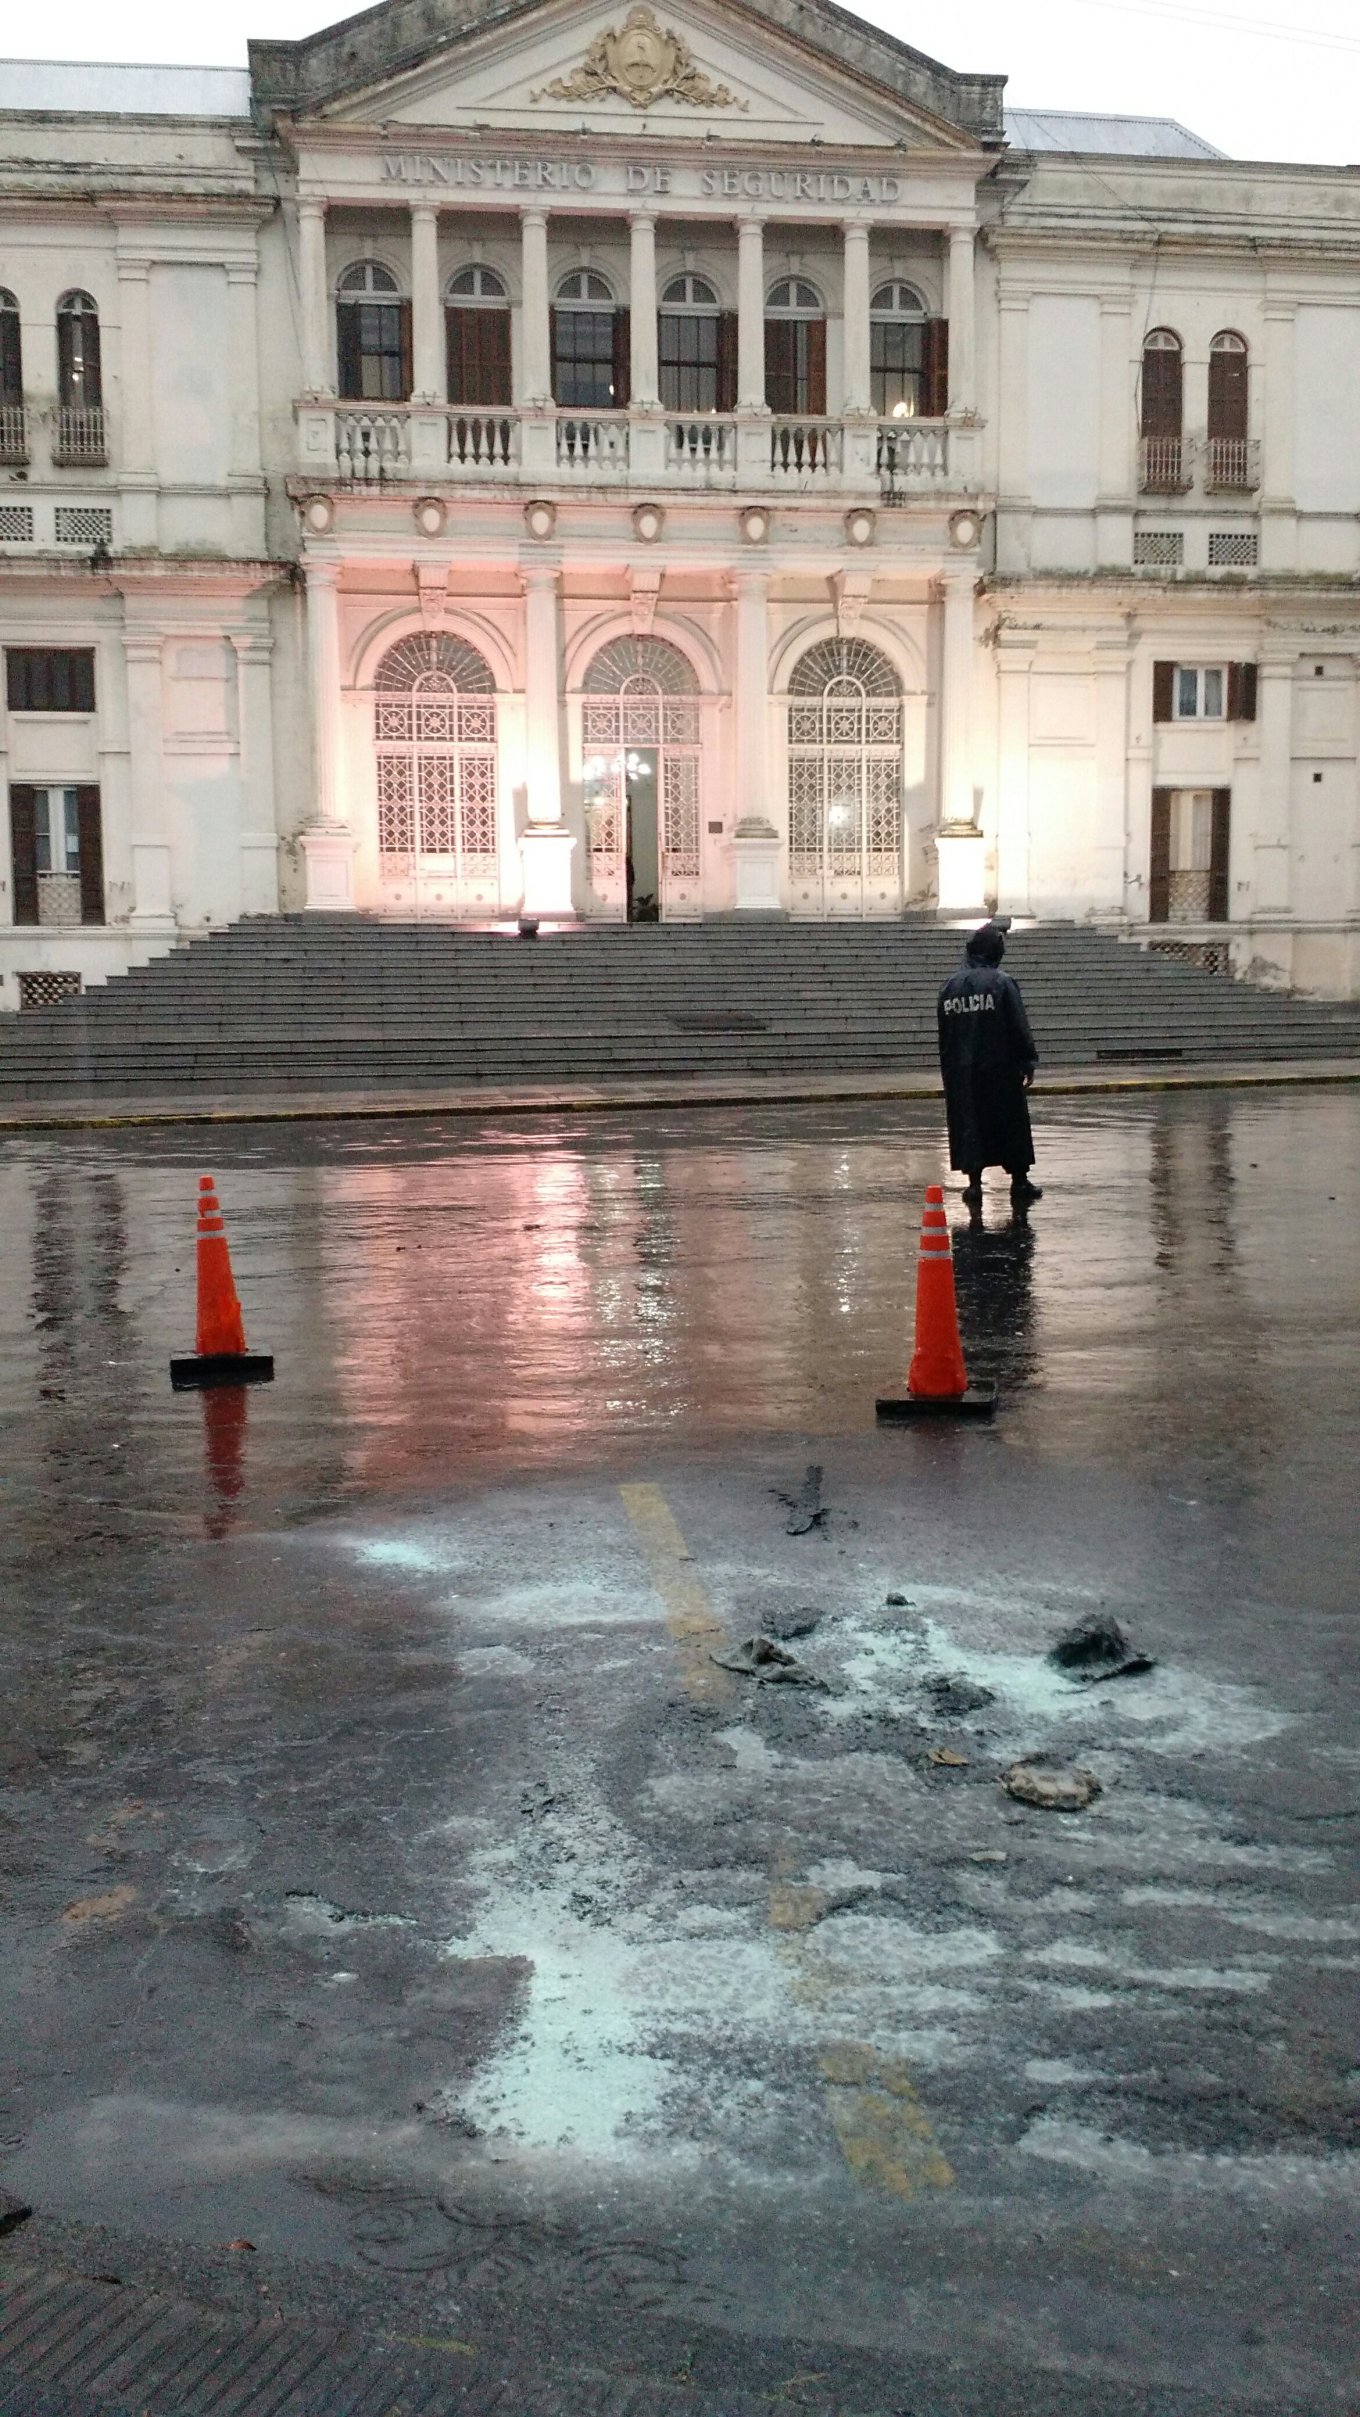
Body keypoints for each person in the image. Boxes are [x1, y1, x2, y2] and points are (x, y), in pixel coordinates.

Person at [936, 920, 1042, 1207]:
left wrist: (950, 1070)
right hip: (1000, 1069)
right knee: (1010, 1123)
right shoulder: (1002, 983)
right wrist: (1027, 1061)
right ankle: (1019, 1180)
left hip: (963, 1072)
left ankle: (974, 1184)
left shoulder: (949, 987)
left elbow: (945, 1035)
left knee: (970, 1123)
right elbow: (1018, 1025)